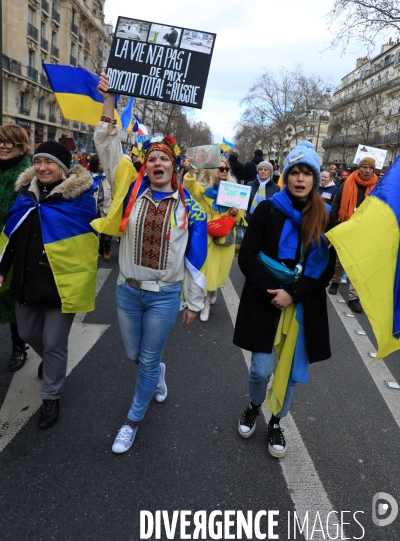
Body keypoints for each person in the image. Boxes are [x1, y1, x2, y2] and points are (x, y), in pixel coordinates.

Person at [94, 72, 208, 454]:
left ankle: (132, 421)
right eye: (153, 158)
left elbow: (194, 257)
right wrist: (109, 101)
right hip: (127, 291)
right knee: (133, 355)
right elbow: (108, 148)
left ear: (174, 167)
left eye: (165, 158)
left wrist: (193, 301)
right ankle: (156, 372)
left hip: (164, 297)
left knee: (145, 359)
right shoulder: (130, 192)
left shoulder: (188, 207)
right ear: (146, 165)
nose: (158, 162)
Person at [233, 141, 335, 458]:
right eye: (295, 172)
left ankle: (276, 421)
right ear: (286, 176)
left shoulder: (325, 216)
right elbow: (247, 257)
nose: (300, 179)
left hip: (302, 304)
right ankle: (253, 405)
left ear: (315, 179)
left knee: (289, 376)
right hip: (264, 299)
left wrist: (292, 293)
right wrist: (274, 292)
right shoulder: (266, 209)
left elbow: (325, 270)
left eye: (308, 173)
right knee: (260, 371)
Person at [0, 141, 98, 428]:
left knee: (54, 342)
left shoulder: (80, 200)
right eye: (38, 161)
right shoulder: (24, 195)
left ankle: (51, 397)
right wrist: (3, 268)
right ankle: (54, 363)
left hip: (61, 283)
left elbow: (87, 242)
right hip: (25, 281)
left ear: (63, 168)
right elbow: (11, 235)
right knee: (29, 333)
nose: (42, 167)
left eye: (49, 162)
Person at [184, 157, 245, 322]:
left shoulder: (233, 190)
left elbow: (241, 215)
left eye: (226, 169)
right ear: (212, 170)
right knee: (207, 268)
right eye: (220, 168)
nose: (224, 172)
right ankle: (205, 303)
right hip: (207, 235)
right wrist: (190, 171)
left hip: (225, 236)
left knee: (220, 270)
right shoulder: (202, 189)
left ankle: (212, 290)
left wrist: (234, 212)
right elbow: (189, 188)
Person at [0, 124, 32, 372]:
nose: (2, 145)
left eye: (8, 142)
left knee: (14, 300)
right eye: (0, 141)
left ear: (21, 147)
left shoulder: (28, 177)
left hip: (13, 244)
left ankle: (19, 347)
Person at [328, 157, 378, 313]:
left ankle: (353, 297)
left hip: (366, 228)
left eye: (370, 168)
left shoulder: (379, 186)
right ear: (359, 168)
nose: (367, 171)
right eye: (365, 167)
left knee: (359, 264)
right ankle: (336, 281)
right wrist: (335, 223)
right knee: (340, 259)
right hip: (346, 225)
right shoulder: (347, 183)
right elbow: (336, 203)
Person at [89, 154, 113, 260]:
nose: (103, 165)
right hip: (93, 208)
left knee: (106, 231)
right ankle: (98, 249)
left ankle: (106, 248)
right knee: (94, 230)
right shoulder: (88, 178)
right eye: (100, 163)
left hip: (106, 207)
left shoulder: (108, 176)